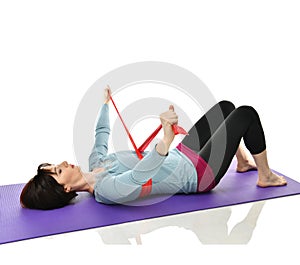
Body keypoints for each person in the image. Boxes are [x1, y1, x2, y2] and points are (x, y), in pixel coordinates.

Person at [20, 86, 287, 210]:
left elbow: (101, 133)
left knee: (225, 108)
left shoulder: (95, 162)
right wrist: (166, 140)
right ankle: (265, 176)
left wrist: (105, 103)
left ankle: (241, 162)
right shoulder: (106, 190)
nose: (63, 163)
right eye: (58, 170)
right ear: (65, 188)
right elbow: (138, 177)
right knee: (245, 114)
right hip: (196, 176)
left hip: (183, 156)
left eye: (56, 163)